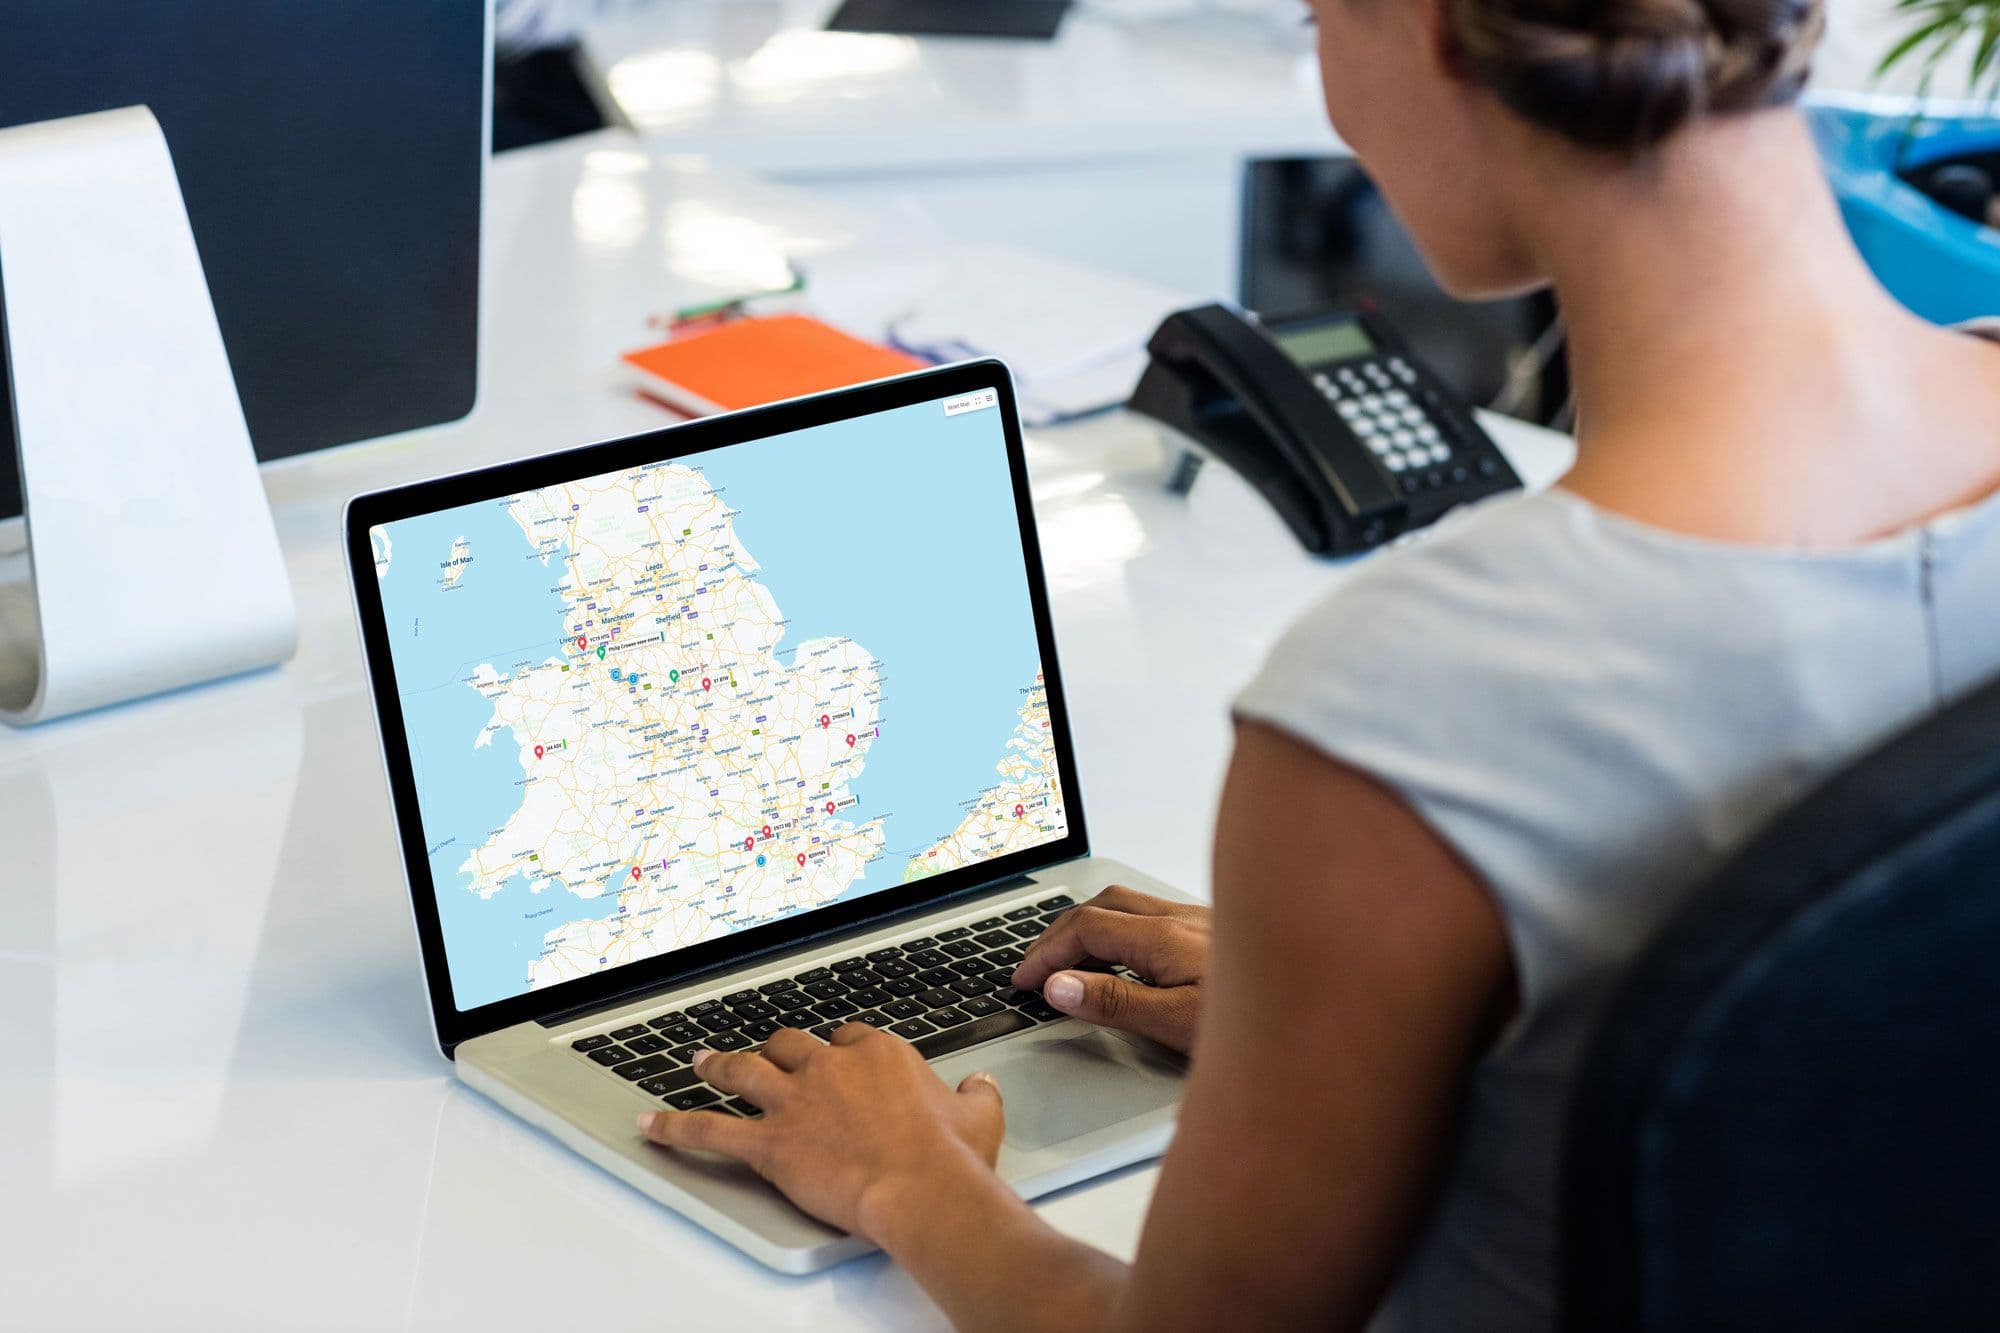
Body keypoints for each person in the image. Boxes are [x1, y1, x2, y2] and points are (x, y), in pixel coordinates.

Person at [630, 0, 2000, 1326]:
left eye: (1316, 22)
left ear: (1433, 24)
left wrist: (905, 1177)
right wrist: (1370, 1000)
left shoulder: (1418, 692)